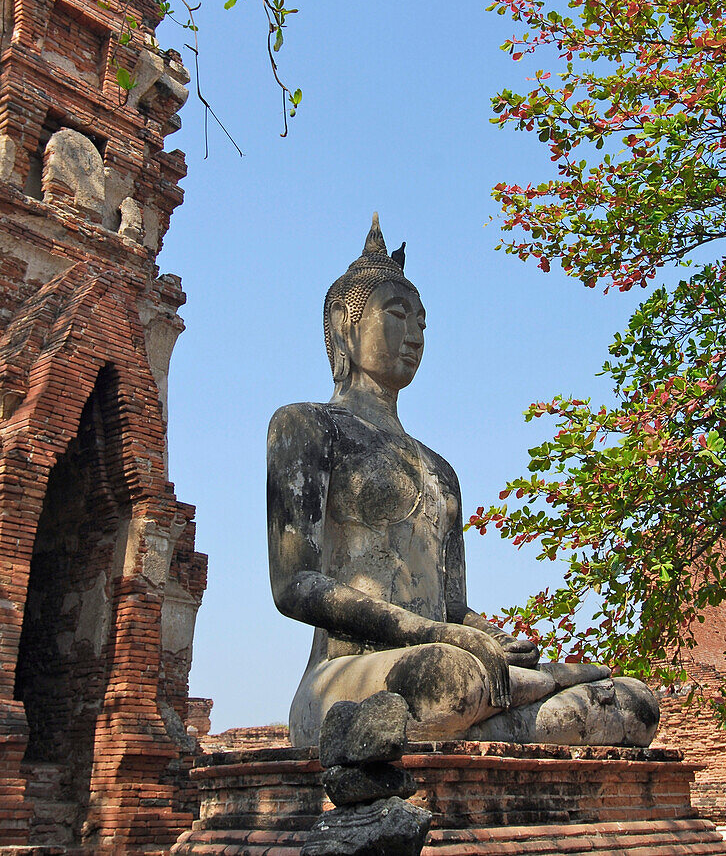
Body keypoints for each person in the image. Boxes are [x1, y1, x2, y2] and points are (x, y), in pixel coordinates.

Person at [267, 215, 659, 748]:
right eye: (397, 314)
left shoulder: (439, 470)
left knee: (633, 703)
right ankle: (518, 703)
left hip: (448, 665)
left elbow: (452, 608)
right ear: (344, 322)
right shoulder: (306, 426)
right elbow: (295, 585)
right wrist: (429, 634)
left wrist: (495, 640)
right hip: (349, 676)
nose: (414, 336)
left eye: (423, 323)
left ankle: (503, 713)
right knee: (446, 677)